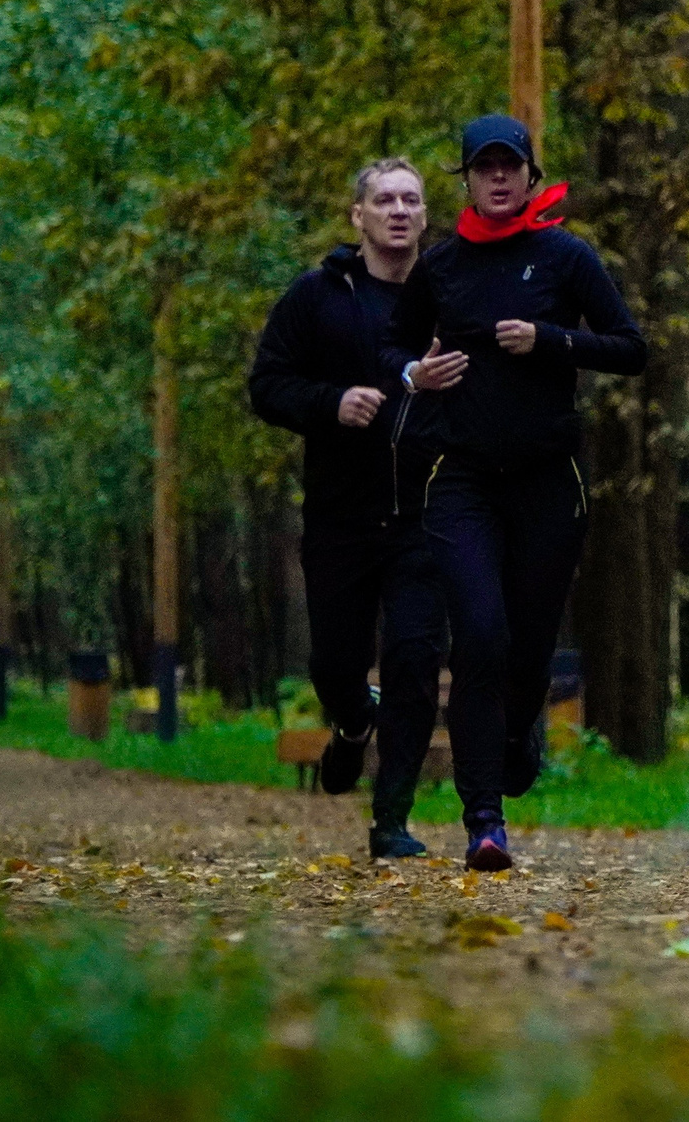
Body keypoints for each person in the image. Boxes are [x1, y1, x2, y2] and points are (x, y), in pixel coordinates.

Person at [385, 114, 646, 872]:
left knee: (528, 651)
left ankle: (517, 733)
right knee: (481, 634)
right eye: (483, 166)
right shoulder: (440, 267)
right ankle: (484, 818)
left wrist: (552, 341)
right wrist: (414, 374)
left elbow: (631, 347)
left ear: (532, 175)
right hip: (461, 478)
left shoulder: (565, 256)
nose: (498, 177)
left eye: (511, 165)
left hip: (546, 481)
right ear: (464, 178)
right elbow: (392, 343)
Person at [249, 158, 449, 860]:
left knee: (416, 661)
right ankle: (352, 718)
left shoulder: (450, 293)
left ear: (425, 216)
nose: (398, 210)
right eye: (384, 199)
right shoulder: (318, 296)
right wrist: (330, 403)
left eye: (411, 200)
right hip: (341, 515)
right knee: (337, 662)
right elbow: (266, 384)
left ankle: (390, 817)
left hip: (429, 513)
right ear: (357, 217)